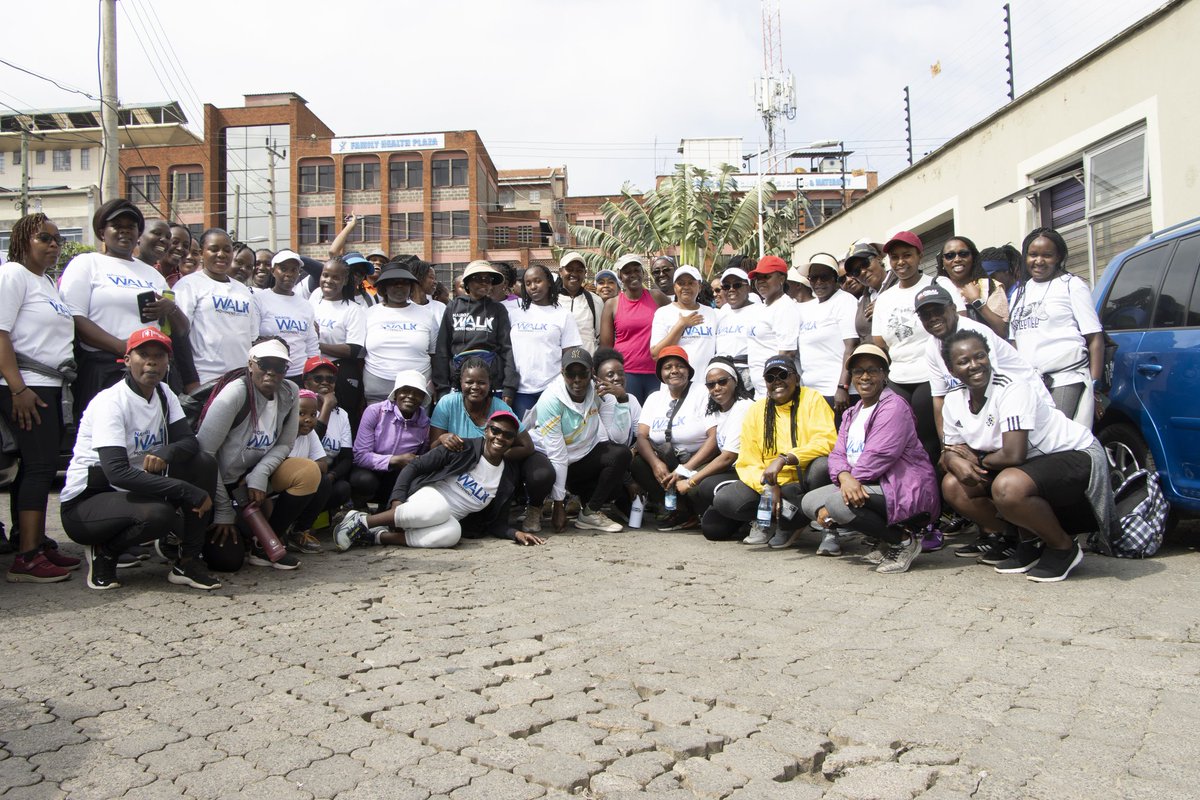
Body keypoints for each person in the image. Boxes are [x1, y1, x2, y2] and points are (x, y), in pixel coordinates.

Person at [939, 329, 1112, 582]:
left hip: (1072, 454)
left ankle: (1063, 547)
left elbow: (1014, 453)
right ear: (952, 371)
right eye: (964, 361)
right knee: (953, 485)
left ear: (990, 357)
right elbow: (948, 454)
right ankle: (1027, 540)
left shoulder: (1012, 388)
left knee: (1007, 486)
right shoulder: (953, 401)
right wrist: (954, 460)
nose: (974, 365)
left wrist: (975, 460)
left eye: (980, 356)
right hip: (1025, 464)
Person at [59, 328, 220, 591]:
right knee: (159, 515)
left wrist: (165, 452)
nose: (152, 362)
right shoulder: (110, 402)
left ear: (168, 363)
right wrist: (186, 490)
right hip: (89, 500)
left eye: (159, 356)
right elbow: (117, 473)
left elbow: (189, 441)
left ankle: (187, 562)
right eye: (143, 354)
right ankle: (105, 552)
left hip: (133, 492)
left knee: (203, 463)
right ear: (126, 360)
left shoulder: (165, 393)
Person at [800, 345, 940, 573]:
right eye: (858, 371)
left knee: (837, 504)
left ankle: (903, 542)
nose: (864, 376)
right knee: (810, 501)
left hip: (904, 488)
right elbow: (837, 453)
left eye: (872, 370)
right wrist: (844, 478)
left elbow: (879, 455)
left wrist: (844, 488)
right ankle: (883, 540)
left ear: (885, 375)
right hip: (865, 484)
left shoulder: (894, 407)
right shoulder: (852, 412)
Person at [0, 213, 80, 582]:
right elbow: (0, 334)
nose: (53, 245)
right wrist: (18, 388)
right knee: (39, 466)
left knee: (40, 465)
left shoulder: (46, 282)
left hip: (49, 386)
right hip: (25, 385)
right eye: (44, 238)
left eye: (57, 240)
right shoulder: (13, 275)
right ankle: (27, 558)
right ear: (22, 240)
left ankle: (29, 539)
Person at [334, 410, 546, 549]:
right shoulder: (462, 447)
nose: (500, 437)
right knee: (440, 509)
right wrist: (397, 501)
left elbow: (497, 523)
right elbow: (415, 466)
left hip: (441, 520)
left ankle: (375, 537)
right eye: (495, 430)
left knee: (453, 534)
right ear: (486, 431)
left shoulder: (506, 477)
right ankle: (361, 521)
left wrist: (514, 533)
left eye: (507, 435)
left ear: (512, 441)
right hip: (424, 502)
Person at [195, 338, 317, 572]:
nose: (271, 372)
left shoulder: (289, 392)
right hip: (218, 482)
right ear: (251, 364)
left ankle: (265, 542)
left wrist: (260, 473)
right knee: (227, 562)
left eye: (279, 366)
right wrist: (223, 509)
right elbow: (204, 455)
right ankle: (181, 537)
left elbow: (285, 444)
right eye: (264, 364)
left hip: (253, 477)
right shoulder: (235, 395)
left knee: (308, 472)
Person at [59, 199, 189, 414]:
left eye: (131, 227)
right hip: (105, 368)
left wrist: (170, 309)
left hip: (151, 371)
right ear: (102, 232)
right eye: (117, 226)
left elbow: (182, 330)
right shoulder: (87, 263)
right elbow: (76, 318)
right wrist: (126, 349)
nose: (125, 232)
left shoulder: (152, 274)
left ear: (138, 234)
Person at [704, 356, 835, 548]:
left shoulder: (813, 399)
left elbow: (827, 441)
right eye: (770, 378)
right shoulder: (757, 410)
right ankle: (778, 523)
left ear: (796, 378)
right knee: (725, 500)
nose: (777, 381)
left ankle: (820, 528)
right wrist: (767, 486)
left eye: (783, 375)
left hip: (803, 480)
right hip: (772, 484)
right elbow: (747, 461)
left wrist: (787, 458)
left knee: (822, 466)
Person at [427, 355, 555, 533]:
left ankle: (532, 509)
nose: (475, 387)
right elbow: (432, 449)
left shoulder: (500, 407)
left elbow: (527, 446)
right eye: (469, 382)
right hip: (458, 473)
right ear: (460, 382)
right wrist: (442, 439)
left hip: (493, 472)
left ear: (490, 385)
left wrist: (498, 453)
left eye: (481, 383)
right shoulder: (447, 403)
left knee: (542, 471)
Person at [871, 231, 963, 462]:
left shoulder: (938, 284)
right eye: (894, 257)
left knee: (930, 440)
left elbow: (959, 323)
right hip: (898, 378)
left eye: (907, 255)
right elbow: (880, 341)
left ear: (919, 256)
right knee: (901, 441)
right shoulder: (885, 297)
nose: (901, 262)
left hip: (930, 376)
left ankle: (937, 494)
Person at [528, 348, 632, 534]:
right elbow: (556, 453)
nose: (577, 380)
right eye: (571, 374)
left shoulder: (600, 392)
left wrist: (621, 400)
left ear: (591, 373)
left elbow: (619, 438)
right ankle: (534, 507)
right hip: (549, 456)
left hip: (580, 457)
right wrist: (558, 505)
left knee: (621, 454)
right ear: (562, 373)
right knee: (542, 475)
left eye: (582, 373)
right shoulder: (550, 400)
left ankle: (590, 513)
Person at [1009, 227, 1105, 427]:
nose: (1039, 261)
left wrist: (1095, 387)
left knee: (1057, 435)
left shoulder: (1072, 285)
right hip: (1030, 382)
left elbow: (1095, 338)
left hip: (1065, 378)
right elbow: (1014, 341)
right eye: (1033, 254)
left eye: (1047, 255)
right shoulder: (1020, 292)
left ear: (1059, 257)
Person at [630, 347, 716, 531]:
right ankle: (679, 511)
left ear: (689, 370)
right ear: (661, 373)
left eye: (680, 366)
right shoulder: (654, 398)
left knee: (695, 489)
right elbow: (642, 436)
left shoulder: (701, 392)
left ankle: (697, 512)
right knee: (638, 463)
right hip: (667, 459)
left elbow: (713, 437)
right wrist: (655, 464)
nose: (674, 370)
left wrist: (686, 468)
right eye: (668, 367)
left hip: (696, 460)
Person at [173, 228, 260, 396]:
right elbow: (179, 336)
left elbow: (251, 338)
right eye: (214, 249)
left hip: (241, 381)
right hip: (205, 380)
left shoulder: (243, 291)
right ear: (201, 253)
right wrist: (191, 382)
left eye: (227, 250)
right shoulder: (188, 285)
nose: (221, 254)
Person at [675, 357, 754, 524]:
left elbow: (728, 457)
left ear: (735, 381)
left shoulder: (743, 407)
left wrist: (691, 481)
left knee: (703, 485)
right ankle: (731, 517)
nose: (717, 388)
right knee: (713, 530)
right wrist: (684, 470)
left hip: (748, 471)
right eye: (711, 385)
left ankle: (752, 517)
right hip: (731, 469)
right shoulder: (715, 409)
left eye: (722, 382)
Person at [433, 260, 518, 406]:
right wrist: (442, 388)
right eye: (478, 278)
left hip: (491, 384)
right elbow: (442, 349)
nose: (484, 283)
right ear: (467, 283)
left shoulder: (498, 309)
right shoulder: (453, 307)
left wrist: (509, 388)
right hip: (459, 384)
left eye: (488, 279)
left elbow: (507, 349)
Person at [508, 264, 582, 418]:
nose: (533, 287)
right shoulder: (514, 315)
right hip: (521, 391)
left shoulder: (563, 315)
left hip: (552, 389)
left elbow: (570, 355)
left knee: (551, 436)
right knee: (527, 438)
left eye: (537, 281)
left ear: (548, 281)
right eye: (528, 283)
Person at [350, 370, 430, 511]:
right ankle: (358, 509)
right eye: (405, 390)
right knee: (364, 480)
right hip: (369, 471)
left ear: (423, 398)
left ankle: (387, 512)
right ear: (396, 393)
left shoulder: (425, 424)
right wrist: (394, 460)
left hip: (398, 476)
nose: (410, 396)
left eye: (417, 392)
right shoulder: (376, 411)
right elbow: (360, 455)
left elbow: (421, 458)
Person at [794, 253, 859, 420]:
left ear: (835, 278)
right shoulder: (810, 307)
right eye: (813, 278)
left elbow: (851, 347)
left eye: (824, 277)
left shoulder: (844, 301)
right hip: (812, 394)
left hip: (837, 393)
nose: (818, 282)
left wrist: (842, 387)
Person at [362, 262, 436, 404]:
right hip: (377, 391)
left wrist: (433, 386)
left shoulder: (427, 315)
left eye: (404, 283)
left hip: (416, 392)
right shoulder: (369, 314)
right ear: (384, 287)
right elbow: (361, 355)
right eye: (393, 283)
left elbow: (435, 354)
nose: (399, 286)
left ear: (411, 287)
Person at [599, 254, 670, 403]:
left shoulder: (657, 296)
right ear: (620, 276)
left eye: (636, 270)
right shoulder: (612, 304)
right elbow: (606, 346)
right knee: (628, 419)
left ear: (643, 273)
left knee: (654, 421)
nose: (633, 275)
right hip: (626, 374)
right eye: (627, 272)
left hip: (656, 372)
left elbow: (675, 318)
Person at [308, 257, 367, 422]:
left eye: (335, 277)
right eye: (325, 275)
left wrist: (317, 343)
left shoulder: (354, 310)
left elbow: (353, 350)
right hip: (311, 373)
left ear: (345, 280)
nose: (328, 281)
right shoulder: (314, 298)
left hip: (340, 375)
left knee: (340, 421)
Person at [253, 250, 319, 382]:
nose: (289, 274)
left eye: (294, 270)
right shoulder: (259, 299)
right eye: (283, 269)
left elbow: (312, 346)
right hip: (268, 375)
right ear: (272, 271)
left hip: (299, 375)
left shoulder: (305, 305)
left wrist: (312, 373)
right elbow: (252, 338)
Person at [302, 356, 353, 523]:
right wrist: (326, 407)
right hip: (300, 471)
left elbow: (346, 458)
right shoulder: (297, 409)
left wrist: (332, 475)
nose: (325, 382)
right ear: (306, 383)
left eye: (330, 379)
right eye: (318, 378)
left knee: (342, 488)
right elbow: (311, 445)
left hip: (325, 476)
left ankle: (311, 518)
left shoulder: (342, 415)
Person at [284, 389, 335, 554]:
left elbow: (323, 464)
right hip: (277, 488)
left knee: (324, 481)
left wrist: (304, 467)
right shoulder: (282, 432)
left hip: (302, 484)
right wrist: (307, 467)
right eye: (301, 413)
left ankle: (299, 531)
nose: (308, 419)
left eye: (313, 415)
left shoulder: (310, 434)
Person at [650, 265, 717, 386]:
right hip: (674, 386)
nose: (686, 287)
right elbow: (656, 354)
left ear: (699, 286)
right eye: (681, 283)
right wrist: (681, 325)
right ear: (675, 287)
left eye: (691, 283)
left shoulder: (711, 313)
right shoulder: (663, 313)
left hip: (705, 385)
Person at [744, 256, 799, 398]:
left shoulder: (785, 307)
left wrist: (774, 387)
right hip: (760, 391)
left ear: (781, 278)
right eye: (758, 277)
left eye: (766, 276)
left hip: (775, 391)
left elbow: (787, 354)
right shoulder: (762, 307)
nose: (761, 281)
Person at [936, 235, 1009, 337]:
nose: (957, 259)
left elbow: (1003, 331)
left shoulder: (990, 286)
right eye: (950, 256)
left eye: (963, 254)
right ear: (942, 261)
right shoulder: (936, 290)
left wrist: (977, 301)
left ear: (973, 258)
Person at [713, 264, 756, 392]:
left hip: (748, 377)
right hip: (722, 375)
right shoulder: (721, 312)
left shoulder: (760, 311)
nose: (731, 289)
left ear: (747, 287)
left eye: (737, 285)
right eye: (726, 286)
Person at [843, 240, 897, 342]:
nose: (862, 272)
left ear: (879, 258)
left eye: (865, 263)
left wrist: (886, 305)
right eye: (856, 271)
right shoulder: (862, 300)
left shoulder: (901, 282)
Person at [557, 252, 604, 353]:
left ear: (585, 273)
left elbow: (601, 337)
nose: (574, 274)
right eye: (569, 269)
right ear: (561, 271)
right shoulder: (550, 300)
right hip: (557, 365)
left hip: (587, 364)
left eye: (579, 270)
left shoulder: (595, 301)